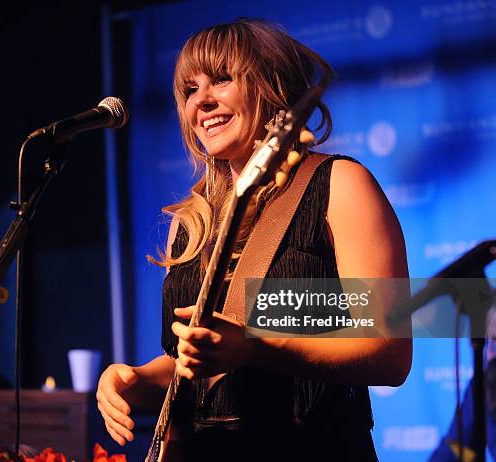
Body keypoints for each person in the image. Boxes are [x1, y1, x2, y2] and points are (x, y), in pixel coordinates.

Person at [97, 18, 412, 460]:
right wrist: (135, 378)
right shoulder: (191, 221)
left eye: (222, 79)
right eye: (189, 90)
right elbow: (196, 362)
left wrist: (256, 347)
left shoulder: (340, 185)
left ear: (273, 85)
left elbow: (389, 352)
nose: (202, 101)